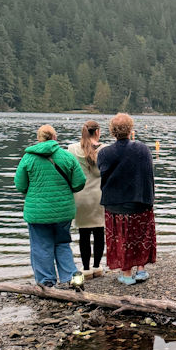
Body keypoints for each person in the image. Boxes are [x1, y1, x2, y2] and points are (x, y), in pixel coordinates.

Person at [14, 125, 86, 287]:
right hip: (63, 210)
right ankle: (71, 277)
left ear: (38, 138)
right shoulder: (66, 156)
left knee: (41, 246)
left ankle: (46, 282)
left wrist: (32, 192)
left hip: (37, 212)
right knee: (62, 243)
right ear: (55, 137)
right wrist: (67, 190)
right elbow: (80, 182)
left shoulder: (28, 158)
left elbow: (20, 185)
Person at [98, 113, 156, 285]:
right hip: (140, 201)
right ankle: (141, 270)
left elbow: (102, 173)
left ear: (112, 131)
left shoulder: (105, 153)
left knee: (122, 238)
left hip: (116, 204)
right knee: (141, 236)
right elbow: (148, 175)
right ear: (130, 129)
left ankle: (126, 274)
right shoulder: (143, 149)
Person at [68, 120, 106, 280]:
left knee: (83, 233)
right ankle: (97, 266)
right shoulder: (104, 150)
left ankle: (85, 268)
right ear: (97, 132)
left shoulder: (72, 149)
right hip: (99, 196)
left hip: (80, 196)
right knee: (99, 232)